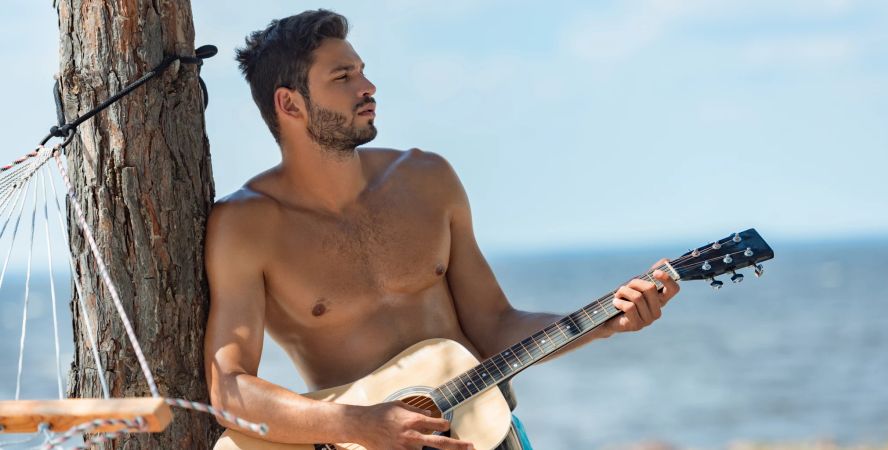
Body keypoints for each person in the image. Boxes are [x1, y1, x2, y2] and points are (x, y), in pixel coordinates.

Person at [203, 9, 680, 450]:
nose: (367, 86)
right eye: (343, 76)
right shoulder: (248, 226)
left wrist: (604, 324)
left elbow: (493, 324)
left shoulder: (426, 181)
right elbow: (229, 389)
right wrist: (357, 423)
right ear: (290, 104)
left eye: (363, 70)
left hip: (484, 436)